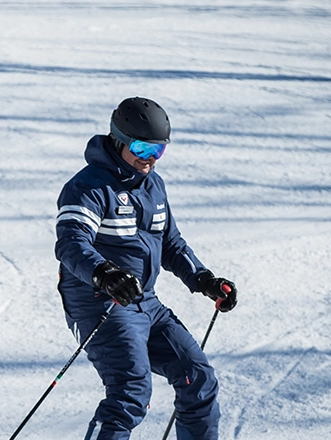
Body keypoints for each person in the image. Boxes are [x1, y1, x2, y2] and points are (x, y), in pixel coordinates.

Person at [54, 97, 238, 440]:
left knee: (198, 379)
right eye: (141, 147)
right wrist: (105, 274)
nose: (149, 159)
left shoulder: (154, 186)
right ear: (119, 140)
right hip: (101, 302)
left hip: (145, 302)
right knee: (131, 393)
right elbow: (70, 244)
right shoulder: (89, 187)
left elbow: (171, 244)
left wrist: (203, 279)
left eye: (158, 151)